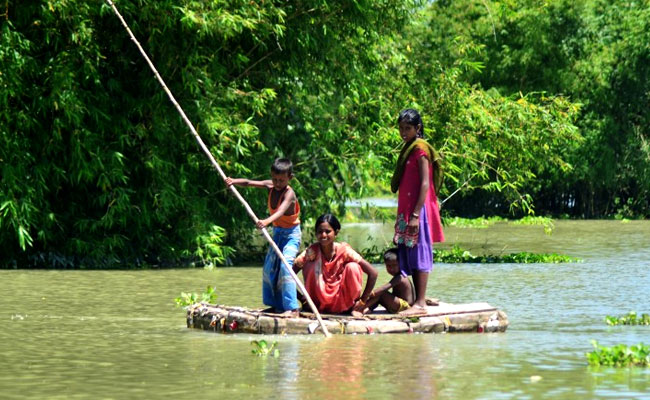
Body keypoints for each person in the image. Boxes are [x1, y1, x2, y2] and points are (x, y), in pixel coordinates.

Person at [225, 158, 301, 316]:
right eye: (275, 179)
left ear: (290, 178)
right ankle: (275, 305)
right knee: (269, 268)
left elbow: (280, 211)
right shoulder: (270, 185)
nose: (277, 183)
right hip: (278, 233)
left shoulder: (290, 194)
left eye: (281, 180)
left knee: (286, 267)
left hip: (291, 235)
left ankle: (291, 308)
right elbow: (249, 182)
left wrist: (266, 221)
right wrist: (233, 181)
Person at [391, 108, 445, 316]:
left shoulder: (421, 150)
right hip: (406, 209)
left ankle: (420, 303)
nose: (404, 132)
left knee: (420, 251)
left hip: (417, 210)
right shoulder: (409, 149)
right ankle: (419, 299)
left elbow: (425, 184)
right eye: (401, 128)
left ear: (418, 128)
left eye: (408, 128)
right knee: (408, 252)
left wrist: (415, 215)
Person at [292, 214, 378, 315]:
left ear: (336, 233)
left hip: (345, 303)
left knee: (353, 267)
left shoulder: (345, 251)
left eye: (328, 231)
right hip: (316, 305)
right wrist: (303, 300)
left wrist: (363, 301)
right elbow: (288, 275)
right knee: (310, 266)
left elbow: (373, 273)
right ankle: (314, 304)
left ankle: (351, 307)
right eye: (320, 232)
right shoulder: (311, 252)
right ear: (316, 234)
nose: (323, 235)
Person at [361, 248, 414, 314]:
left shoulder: (400, 277)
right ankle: (367, 309)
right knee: (379, 296)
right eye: (388, 266)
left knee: (381, 293)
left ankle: (360, 307)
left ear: (401, 264)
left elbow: (384, 288)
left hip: (405, 307)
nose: (392, 269)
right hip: (397, 305)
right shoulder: (398, 276)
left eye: (394, 265)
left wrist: (368, 294)